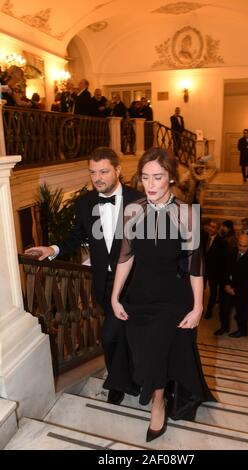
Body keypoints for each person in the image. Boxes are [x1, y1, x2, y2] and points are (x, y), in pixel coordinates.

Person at [103, 147, 215, 442]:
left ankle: (157, 402)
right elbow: (125, 258)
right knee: (140, 348)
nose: (150, 184)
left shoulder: (186, 214)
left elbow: (195, 266)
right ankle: (151, 390)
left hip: (173, 297)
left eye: (158, 177)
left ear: (171, 179)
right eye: (145, 177)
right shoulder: (133, 211)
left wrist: (198, 307)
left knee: (157, 347)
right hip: (140, 295)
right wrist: (115, 297)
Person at [25, 147, 142, 405]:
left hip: (134, 283)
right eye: (92, 172)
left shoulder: (139, 200)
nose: (97, 177)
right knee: (118, 333)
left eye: (103, 171)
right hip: (103, 282)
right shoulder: (85, 203)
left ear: (117, 170)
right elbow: (76, 237)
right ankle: (127, 378)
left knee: (112, 334)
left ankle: (119, 382)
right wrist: (53, 249)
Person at [214, 234, 248, 337]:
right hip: (228, 286)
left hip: (242, 290)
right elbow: (225, 270)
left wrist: (236, 290)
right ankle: (224, 327)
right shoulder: (232, 252)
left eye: (245, 246)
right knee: (224, 308)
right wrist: (226, 284)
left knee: (241, 312)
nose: (242, 248)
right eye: (240, 245)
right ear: (237, 243)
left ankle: (242, 331)